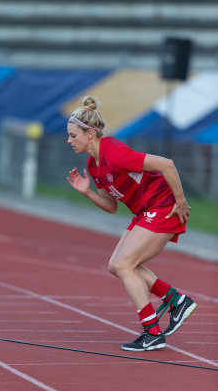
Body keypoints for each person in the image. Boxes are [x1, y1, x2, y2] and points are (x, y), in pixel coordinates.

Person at [66, 95, 197, 352]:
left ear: (90, 133)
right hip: (146, 211)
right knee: (116, 265)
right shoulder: (94, 166)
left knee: (126, 265)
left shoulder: (114, 153)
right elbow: (112, 206)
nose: (69, 141)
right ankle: (176, 301)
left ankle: (152, 332)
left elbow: (167, 164)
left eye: (73, 135)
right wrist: (88, 192)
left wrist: (180, 202)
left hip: (162, 207)